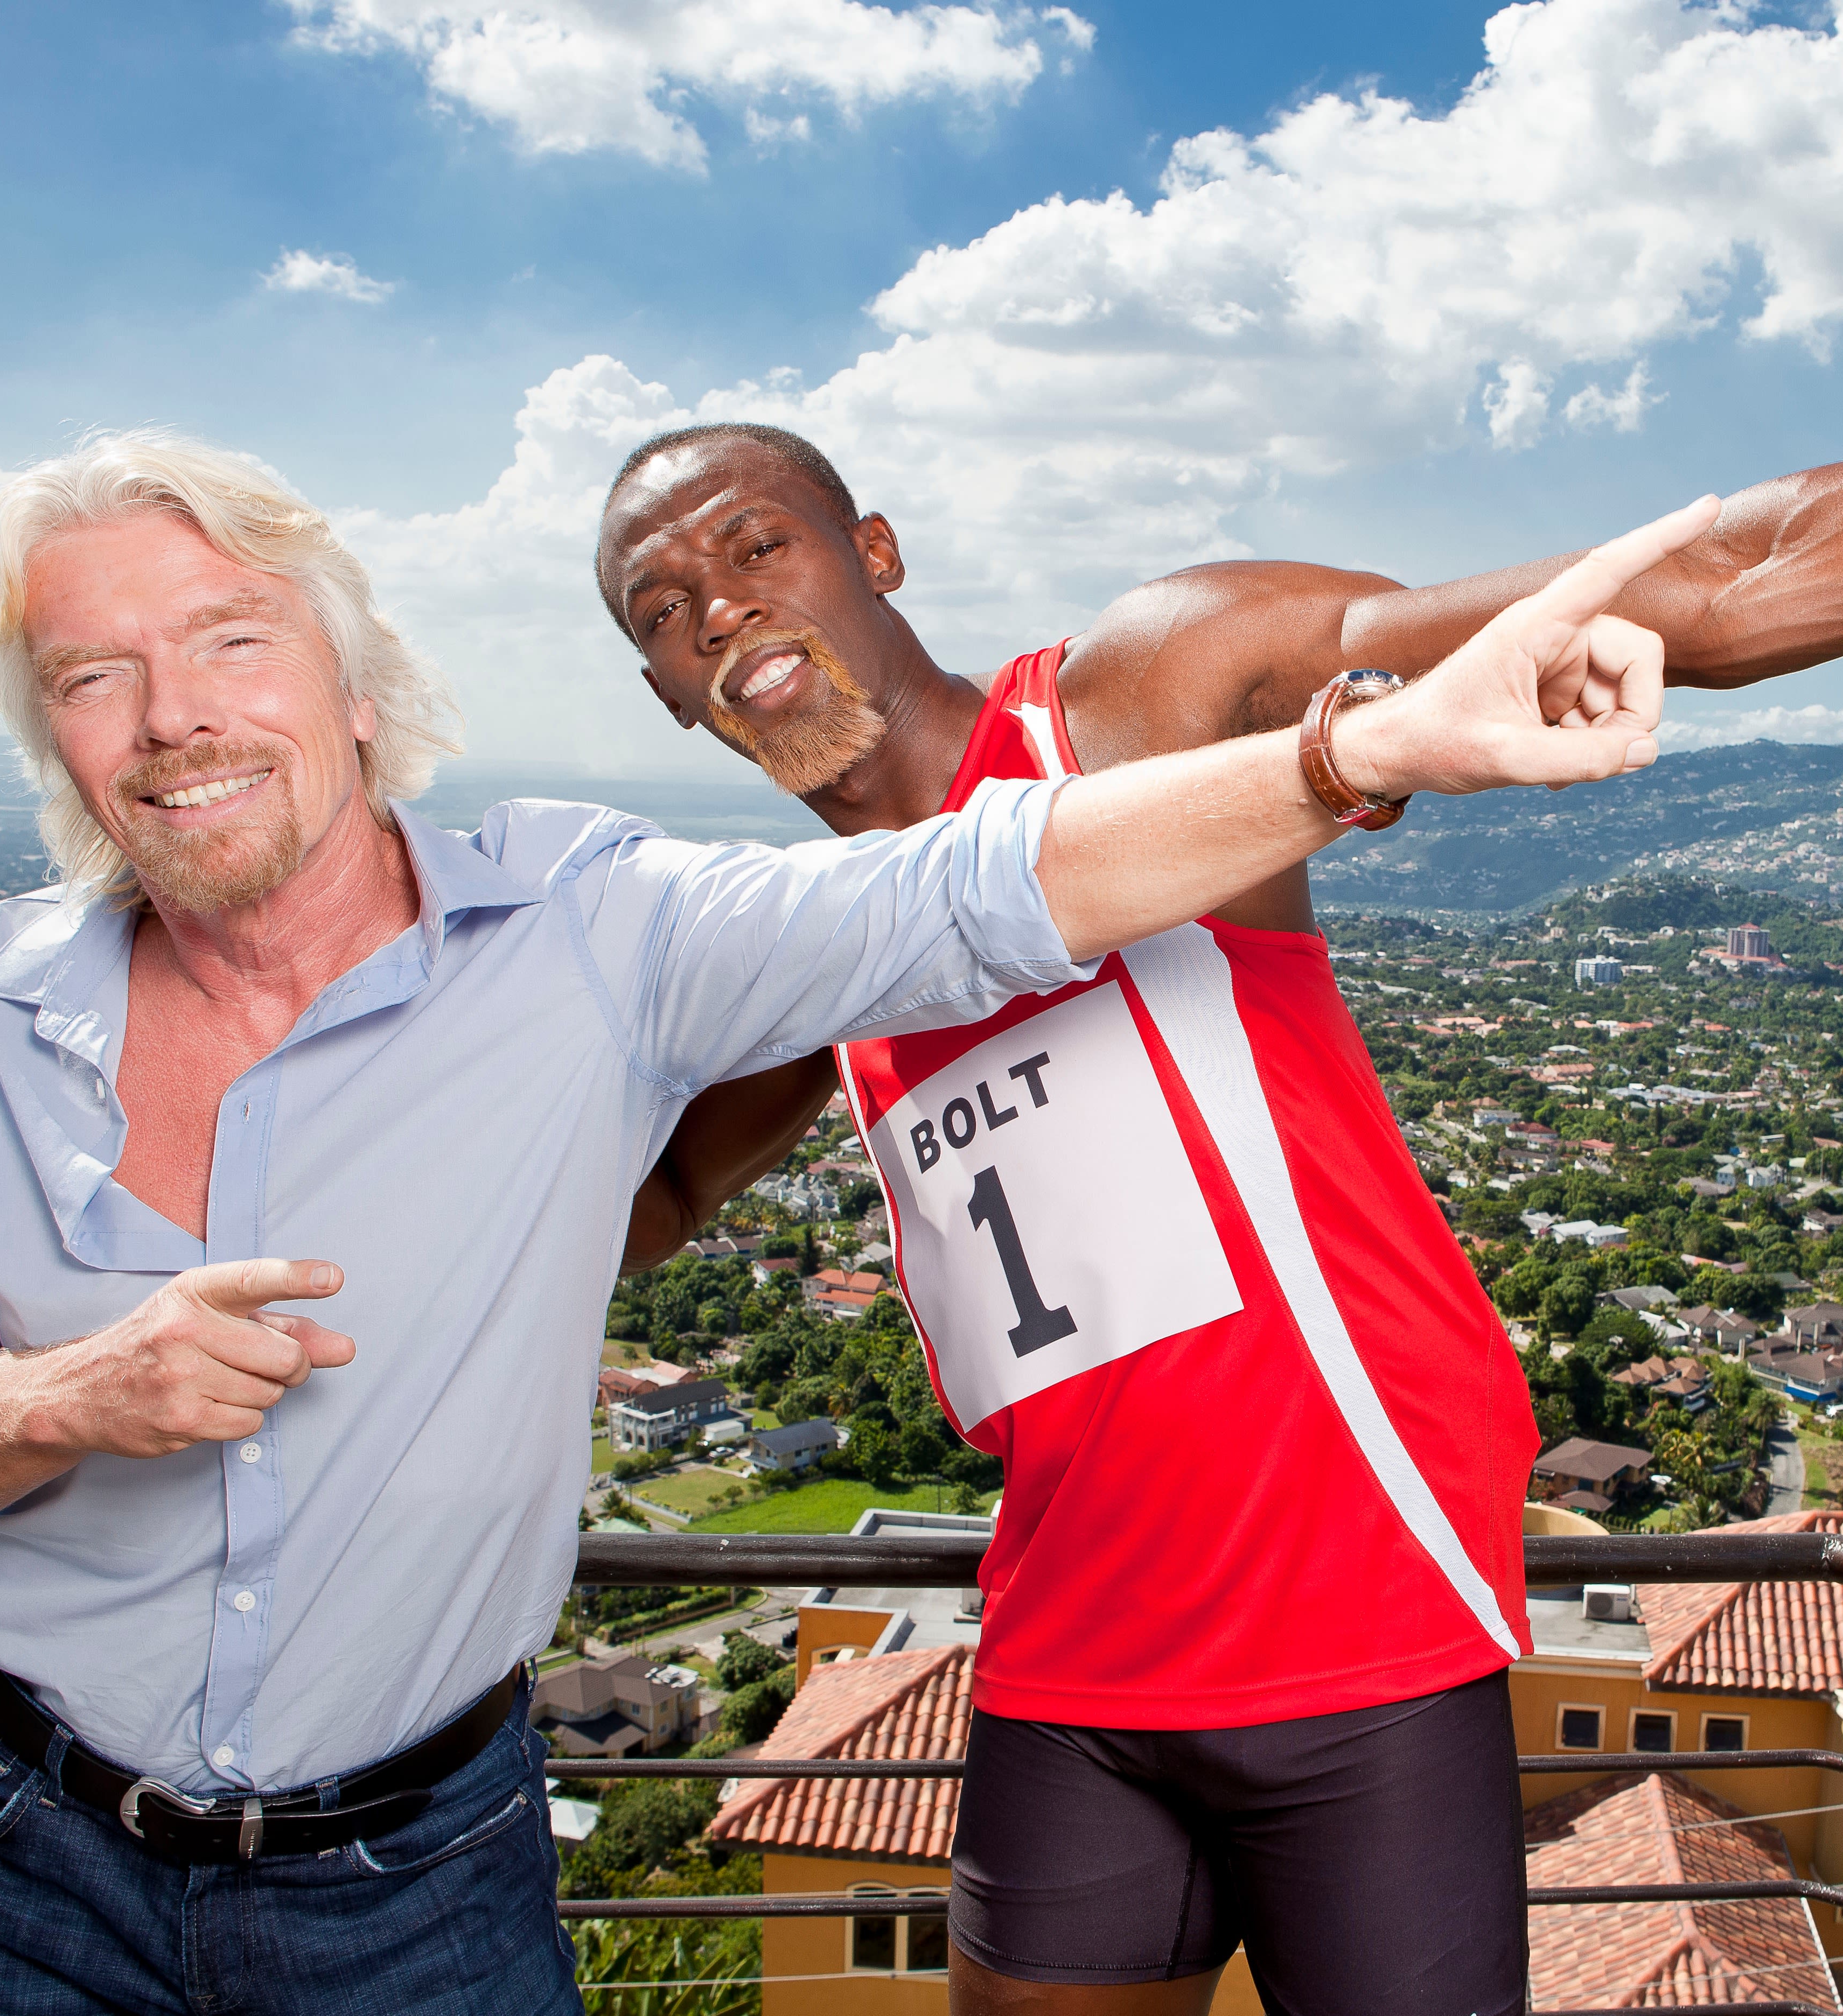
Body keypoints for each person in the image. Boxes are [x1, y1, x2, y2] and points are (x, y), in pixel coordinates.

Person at [0, 432, 1686, 2014]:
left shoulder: (1024, 746)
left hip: (1331, 1606)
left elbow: (997, 874)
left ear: (355, 689)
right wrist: (76, 1389)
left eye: (232, 640)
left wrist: (1370, 747)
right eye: (92, 677)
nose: (716, 610)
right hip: (18, 1840)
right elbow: (637, 1201)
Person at [598, 425, 1843, 2016]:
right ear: (661, 690)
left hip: (1355, 1628)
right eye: (662, 606)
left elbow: (1722, 581)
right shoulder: (823, 948)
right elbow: (653, 1200)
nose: (716, 610)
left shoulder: (1133, 699)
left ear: (879, 552)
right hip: (1064, 1661)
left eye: (757, 546)